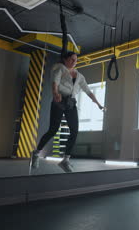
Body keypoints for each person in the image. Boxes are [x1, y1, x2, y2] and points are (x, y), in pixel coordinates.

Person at [30, 14, 105, 173]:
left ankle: (65, 160)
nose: (74, 62)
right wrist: (55, 92)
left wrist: (98, 104)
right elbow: (55, 80)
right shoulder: (59, 68)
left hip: (70, 103)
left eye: (76, 60)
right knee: (53, 130)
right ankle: (36, 153)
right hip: (59, 100)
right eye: (71, 59)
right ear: (65, 60)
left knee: (74, 131)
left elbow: (88, 91)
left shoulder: (79, 76)